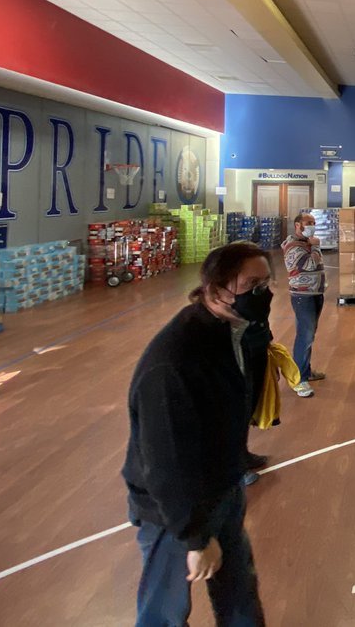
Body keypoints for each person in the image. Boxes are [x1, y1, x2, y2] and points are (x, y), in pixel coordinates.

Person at [122, 241, 270, 627]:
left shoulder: (235, 334)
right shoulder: (173, 363)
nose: (263, 293)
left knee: (239, 593)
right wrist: (194, 538)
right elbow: (165, 461)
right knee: (165, 611)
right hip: (173, 511)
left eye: (267, 283)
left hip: (223, 488)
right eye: (253, 284)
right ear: (218, 289)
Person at [281, 213, 325, 398]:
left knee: (310, 334)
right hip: (302, 296)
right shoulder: (292, 247)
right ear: (298, 225)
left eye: (314, 223)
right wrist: (315, 247)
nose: (312, 226)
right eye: (309, 223)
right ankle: (299, 379)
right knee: (304, 336)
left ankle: (305, 370)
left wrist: (314, 246)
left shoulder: (308, 242)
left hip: (315, 293)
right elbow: (309, 264)